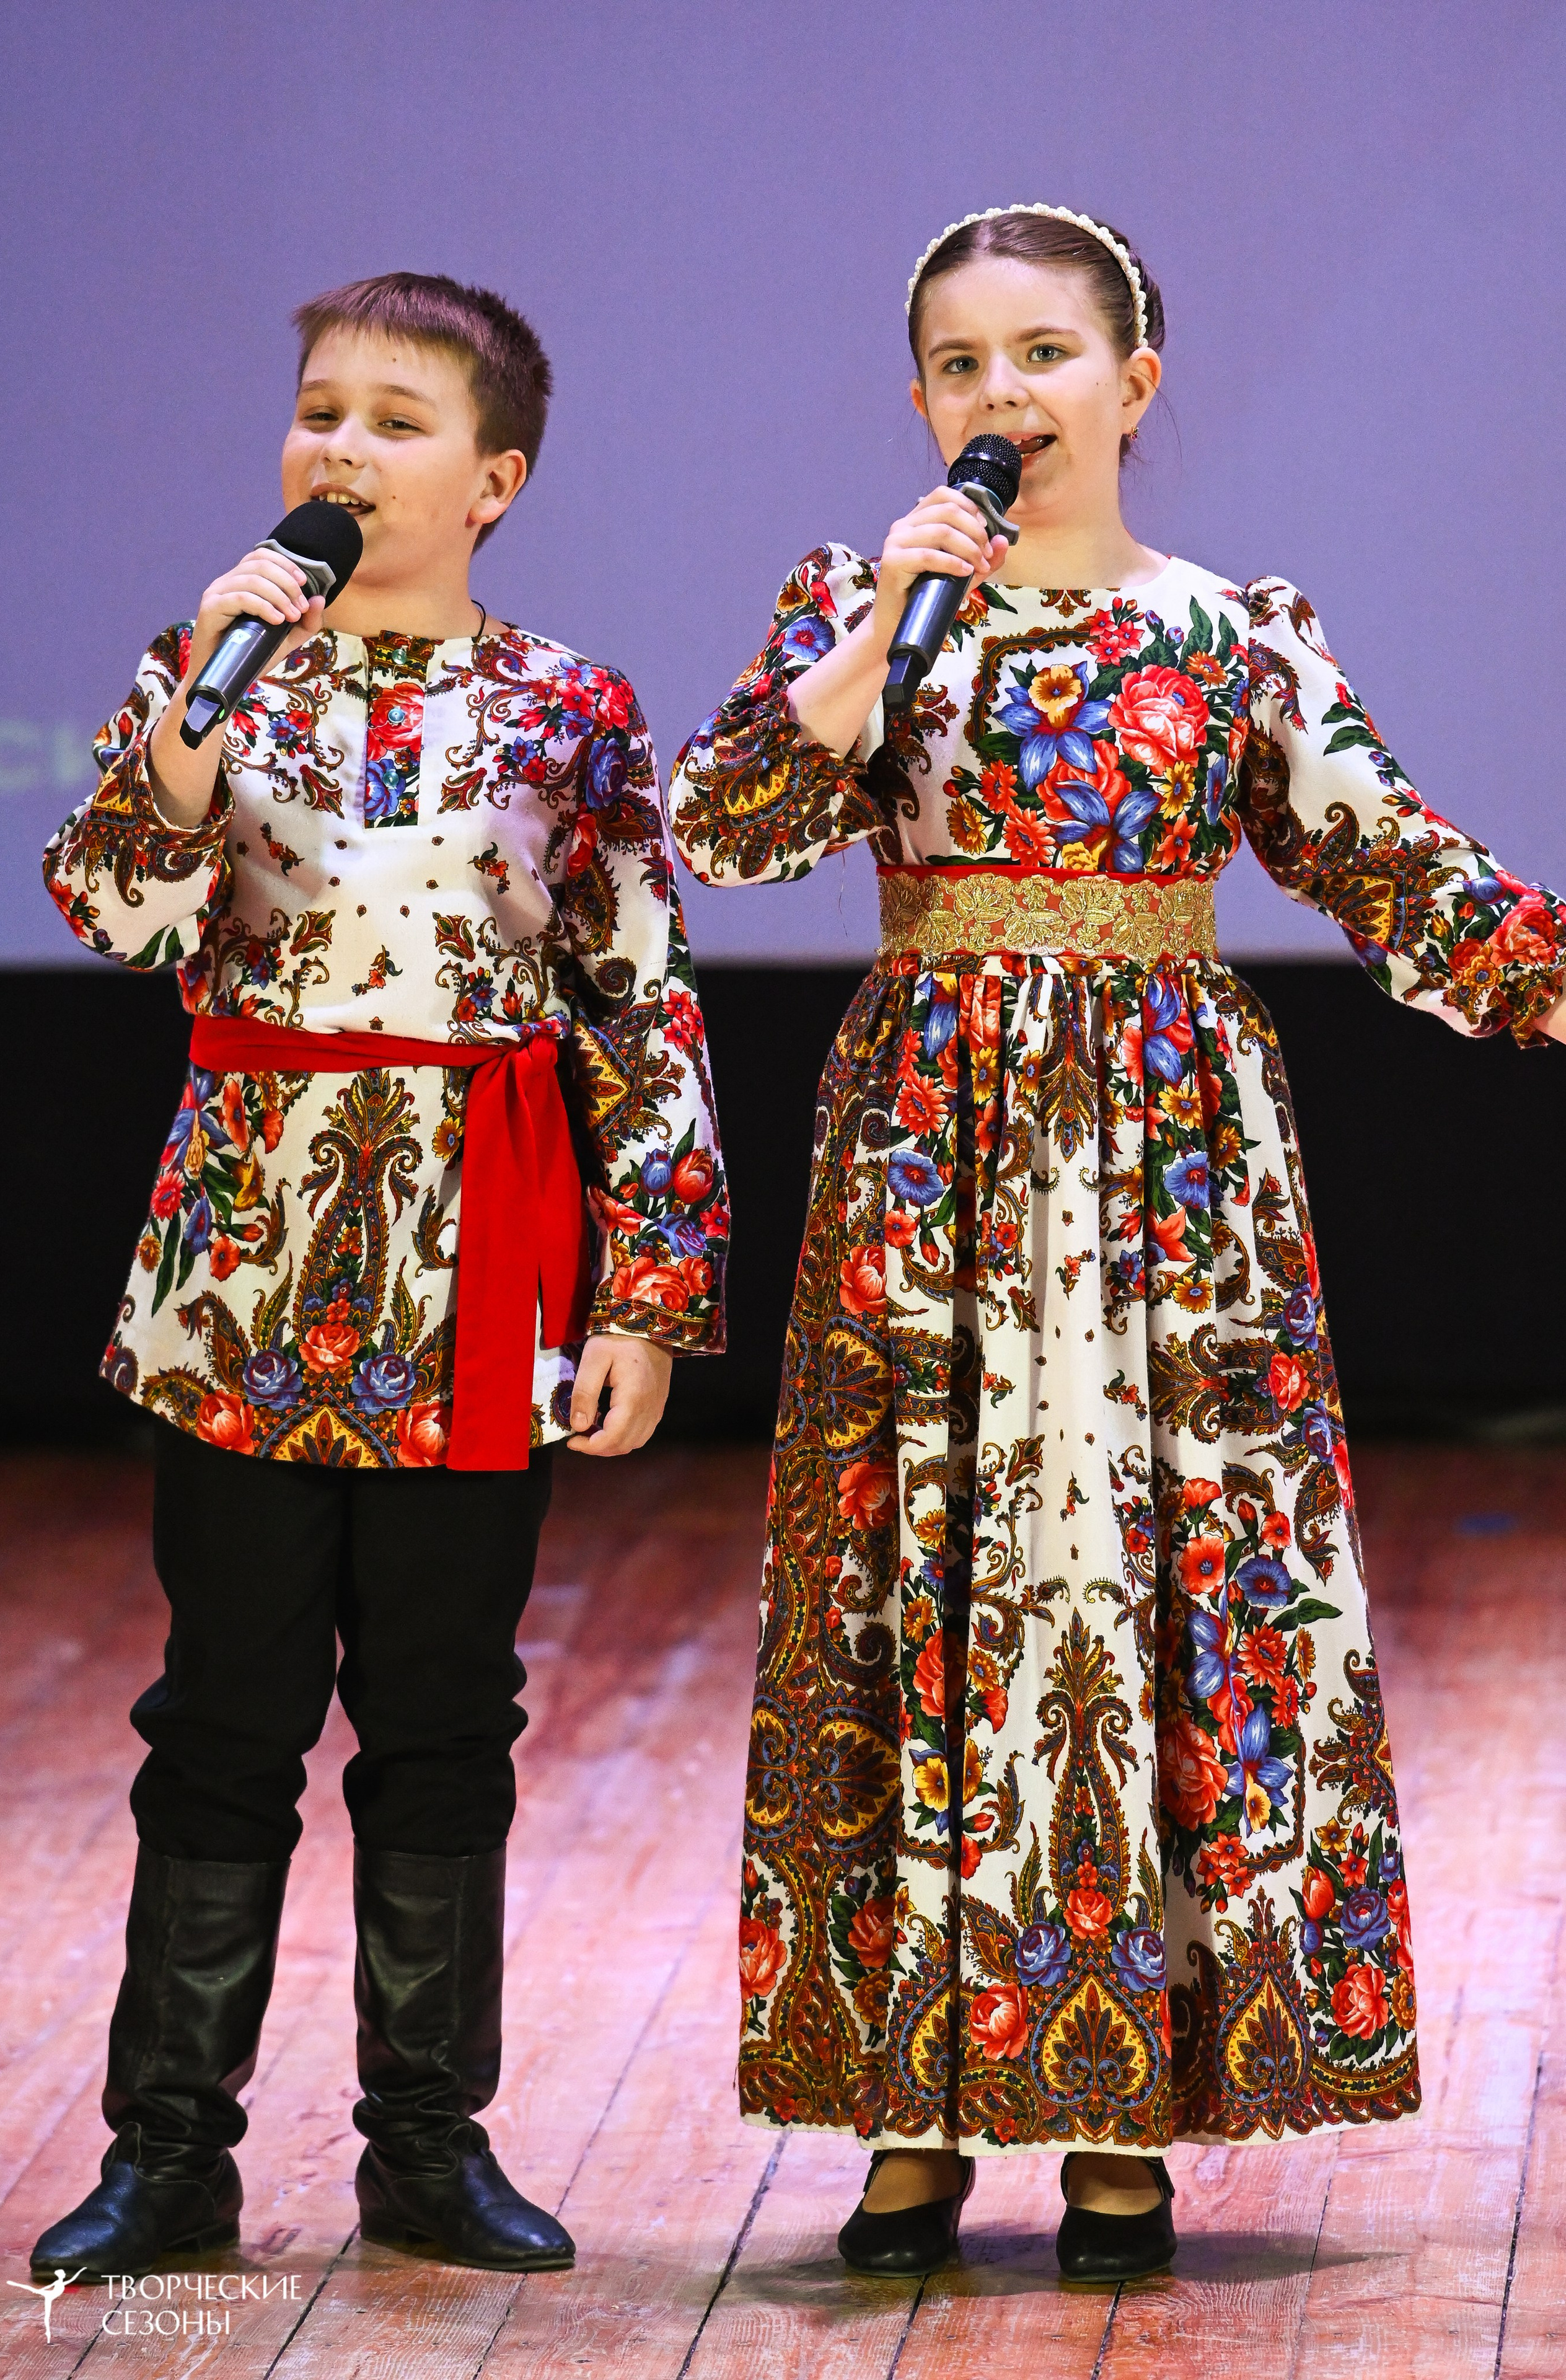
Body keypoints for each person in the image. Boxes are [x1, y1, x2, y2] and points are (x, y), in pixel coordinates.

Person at [669, 204, 1565, 2282]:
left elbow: (1397, 859)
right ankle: (905, 2109)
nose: (1006, 397)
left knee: (1155, 1603)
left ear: (1137, 385)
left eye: (1049, 355)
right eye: (964, 364)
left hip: (1171, 1164)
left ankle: (1122, 2124)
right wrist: (876, 631)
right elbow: (719, 828)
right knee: (917, 1582)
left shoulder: (1235, 630)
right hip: (928, 1155)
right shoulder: (862, 607)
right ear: (919, 399)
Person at [35, 271, 726, 2281]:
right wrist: (190, 718)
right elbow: (108, 903)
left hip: (476, 1273)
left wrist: (646, 1292)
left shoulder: (567, 709)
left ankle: (430, 2146)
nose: (339, 447)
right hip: (246, 1272)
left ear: (495, 477)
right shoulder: (215, 660)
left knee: (444, 1717)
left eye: (397, 420)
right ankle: (169, 2152)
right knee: (223, 1712)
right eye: (318, 410)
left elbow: (640, 1001)